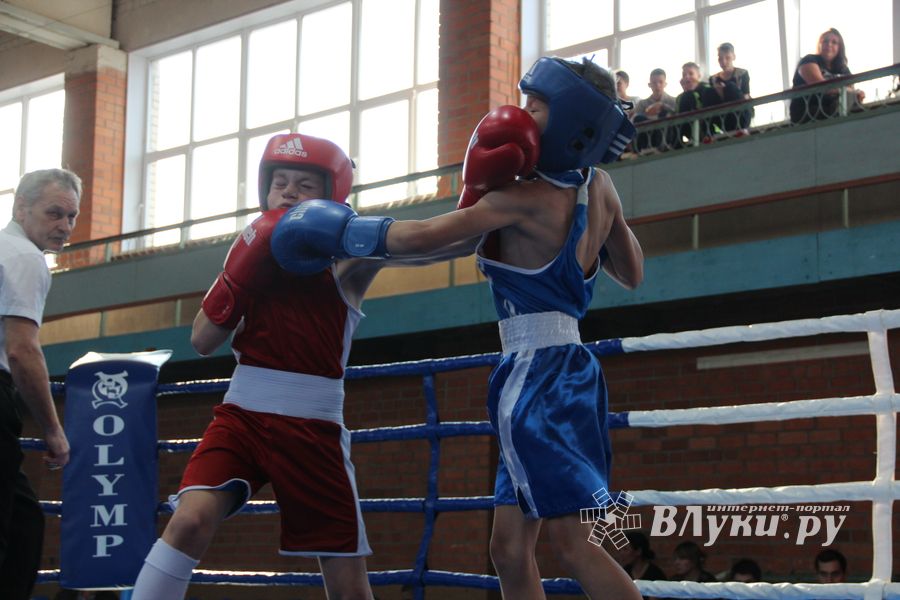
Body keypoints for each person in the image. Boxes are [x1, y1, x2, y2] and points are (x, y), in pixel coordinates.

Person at [271, 55, 645, 600]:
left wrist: (339, 230)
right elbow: (632, 272)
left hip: (536, 376)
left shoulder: (524, 199)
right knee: (509, 549)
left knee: (573, 543)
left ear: (572, 121)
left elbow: (426, 237)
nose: (524, 114)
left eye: (538, 106)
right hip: (572, 370)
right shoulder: (600, 185)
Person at [130, 132, 463, 600]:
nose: (287, 193)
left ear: (331, 197)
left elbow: (428, 242)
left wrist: (490, 211)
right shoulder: (251, 251)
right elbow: (202, 341)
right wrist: (239, 273)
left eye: (304, 185)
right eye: (279, 182)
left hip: (313, 428)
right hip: (241, 417)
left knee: (347, 587)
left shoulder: (348, 262)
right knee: (189, 520)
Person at [1, 168, 80, 600]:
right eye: (54, 213)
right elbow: (22, 350)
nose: (65, 226)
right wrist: (53, 429)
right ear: (21, 208)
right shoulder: (25, 257)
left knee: (24, 523)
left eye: (71, 217)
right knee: (17, 535)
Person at [789, 28, 865, 124]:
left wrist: (857, 94)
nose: (829, 44)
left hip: (835, 108)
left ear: (840, 48)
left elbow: (851, 92)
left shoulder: (843, 69)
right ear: (819, 44)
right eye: (825, 41)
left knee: (855, 102)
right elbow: (821, 87)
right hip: (808, 111)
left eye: (834, 42)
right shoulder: (809, 60)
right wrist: (845, 90)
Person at [707, 43, 752, 132]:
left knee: (730, 87)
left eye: (727, 58)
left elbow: (745, 96)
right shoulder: (713, 79)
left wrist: (726, 90)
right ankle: (708, 132)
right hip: (722, 114)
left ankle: (741, 128)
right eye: (720, 58)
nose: (723, 62)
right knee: (708, 92)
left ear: (733, 57)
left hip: (741, 112)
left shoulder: (742, 73)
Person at [673, 62, 718, 146]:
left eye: (691, 74)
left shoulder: (707, 89)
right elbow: (678, 114)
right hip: (690, 130)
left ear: (698, 75)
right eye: (684, 75)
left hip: (711, 128)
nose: (687, 77)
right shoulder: (680, 97)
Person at [631, 68, 677, 152]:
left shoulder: (673, 101)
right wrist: (648, 113)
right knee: (638, 118)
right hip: (648, 136)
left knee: (665, 113)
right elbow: (635, 121)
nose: (657, 85)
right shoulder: (642, 104)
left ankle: (663, 146)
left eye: (660, 82)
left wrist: (663, 106)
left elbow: (676, 116)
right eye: (654, 82)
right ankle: (643, 149)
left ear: (665, 84)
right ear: (649, 84)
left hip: (667, 136)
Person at [616, 531, 666, 600]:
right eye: (620, 550)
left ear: (638, 551)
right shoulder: (624, 573)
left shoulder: (655, 574)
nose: (621, 553)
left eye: (625, 549)